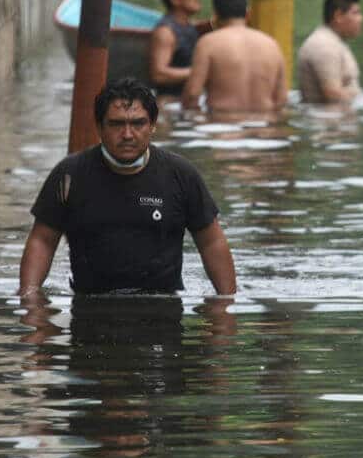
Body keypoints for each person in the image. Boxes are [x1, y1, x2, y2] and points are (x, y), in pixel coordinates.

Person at [18, 78, 236, 298]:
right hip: (89, 308)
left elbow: (211, 241)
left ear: (152, 125)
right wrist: (29, 297)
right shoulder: (69, 175)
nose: (128, 135)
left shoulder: (180, 174)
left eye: (138, 123)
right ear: (99, 126)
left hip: (163, 309)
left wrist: (226, 302)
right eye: (116, 124)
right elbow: (42, 241)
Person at [182, 0, 288, 113]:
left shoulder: (208, 43)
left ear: (215, 16)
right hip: (264, 126)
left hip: (222, 125)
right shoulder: (271, 44)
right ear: (248, 14)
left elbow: (192, 94)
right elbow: (281, 99)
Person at [297, 0, 363, 103]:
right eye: (355, 13)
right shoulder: (324, 46)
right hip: (329, 119)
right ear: (338, 16)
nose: (361, 18)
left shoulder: (334, 42)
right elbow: (333, 96)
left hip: (339, 117)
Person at [148, 0, 205, 96]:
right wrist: (201, 71)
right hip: (171, 103)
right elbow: (158, 74)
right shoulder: (166, 32)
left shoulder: (188, 26)